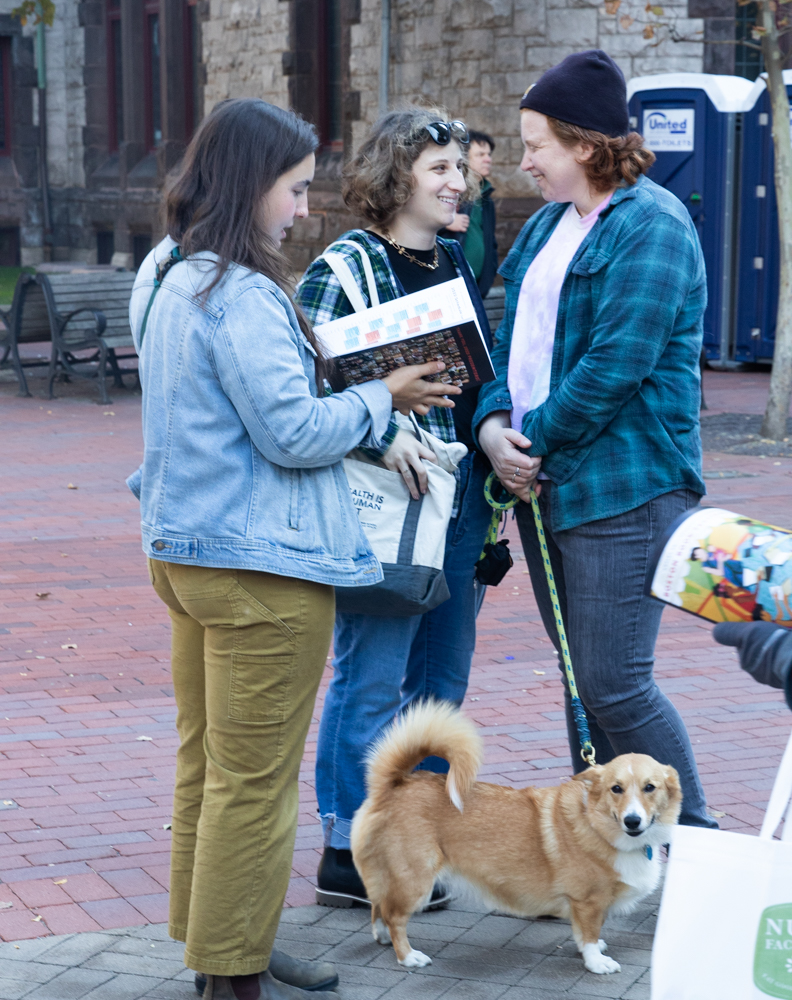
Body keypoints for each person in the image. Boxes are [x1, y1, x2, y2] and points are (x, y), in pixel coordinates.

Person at [126, 98, 459, 1000]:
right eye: (296, 188)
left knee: (211, 765)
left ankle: (222, 941)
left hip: (187, 552)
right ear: (249, 185)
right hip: (259, 568)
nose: (306, 208)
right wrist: (383, 395)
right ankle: (231, 971)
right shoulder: (236, 291)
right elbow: (294, 433)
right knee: (255, 786)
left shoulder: (163, 271)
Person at [473, 49, 717, 830]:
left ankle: (699, 847)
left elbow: (617, 366)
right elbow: (502, 338)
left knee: (616, 682)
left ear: (583, 144)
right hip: (547, 482)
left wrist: (527, 439)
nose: (524, 162)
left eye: (535, 144)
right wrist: (491, 429)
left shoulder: (653, 226)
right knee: (584, 682)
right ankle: (605, 856)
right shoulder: (548, 225)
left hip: (627, 485)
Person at [295, 107, 495, 906]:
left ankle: (417, 840)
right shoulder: (341, 269)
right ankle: (349, 845)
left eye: (462, 169)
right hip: (385, 502)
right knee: (372, 677)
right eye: (441, 168)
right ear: (397, 176)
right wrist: (383, 436)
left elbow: (480, 374)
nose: (460, 181)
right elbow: (303, 391)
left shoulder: (452, 262)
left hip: (461, 499)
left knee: (440, 680)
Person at [441, 129, 499, 297]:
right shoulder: (452, 190)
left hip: (477, 288)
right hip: (449, 288)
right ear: (464, 159)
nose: (488, 159)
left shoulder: (486, 195)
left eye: (489, 154)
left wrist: (489, 274)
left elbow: (491, 242)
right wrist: (447, 221)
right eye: (480, 155)